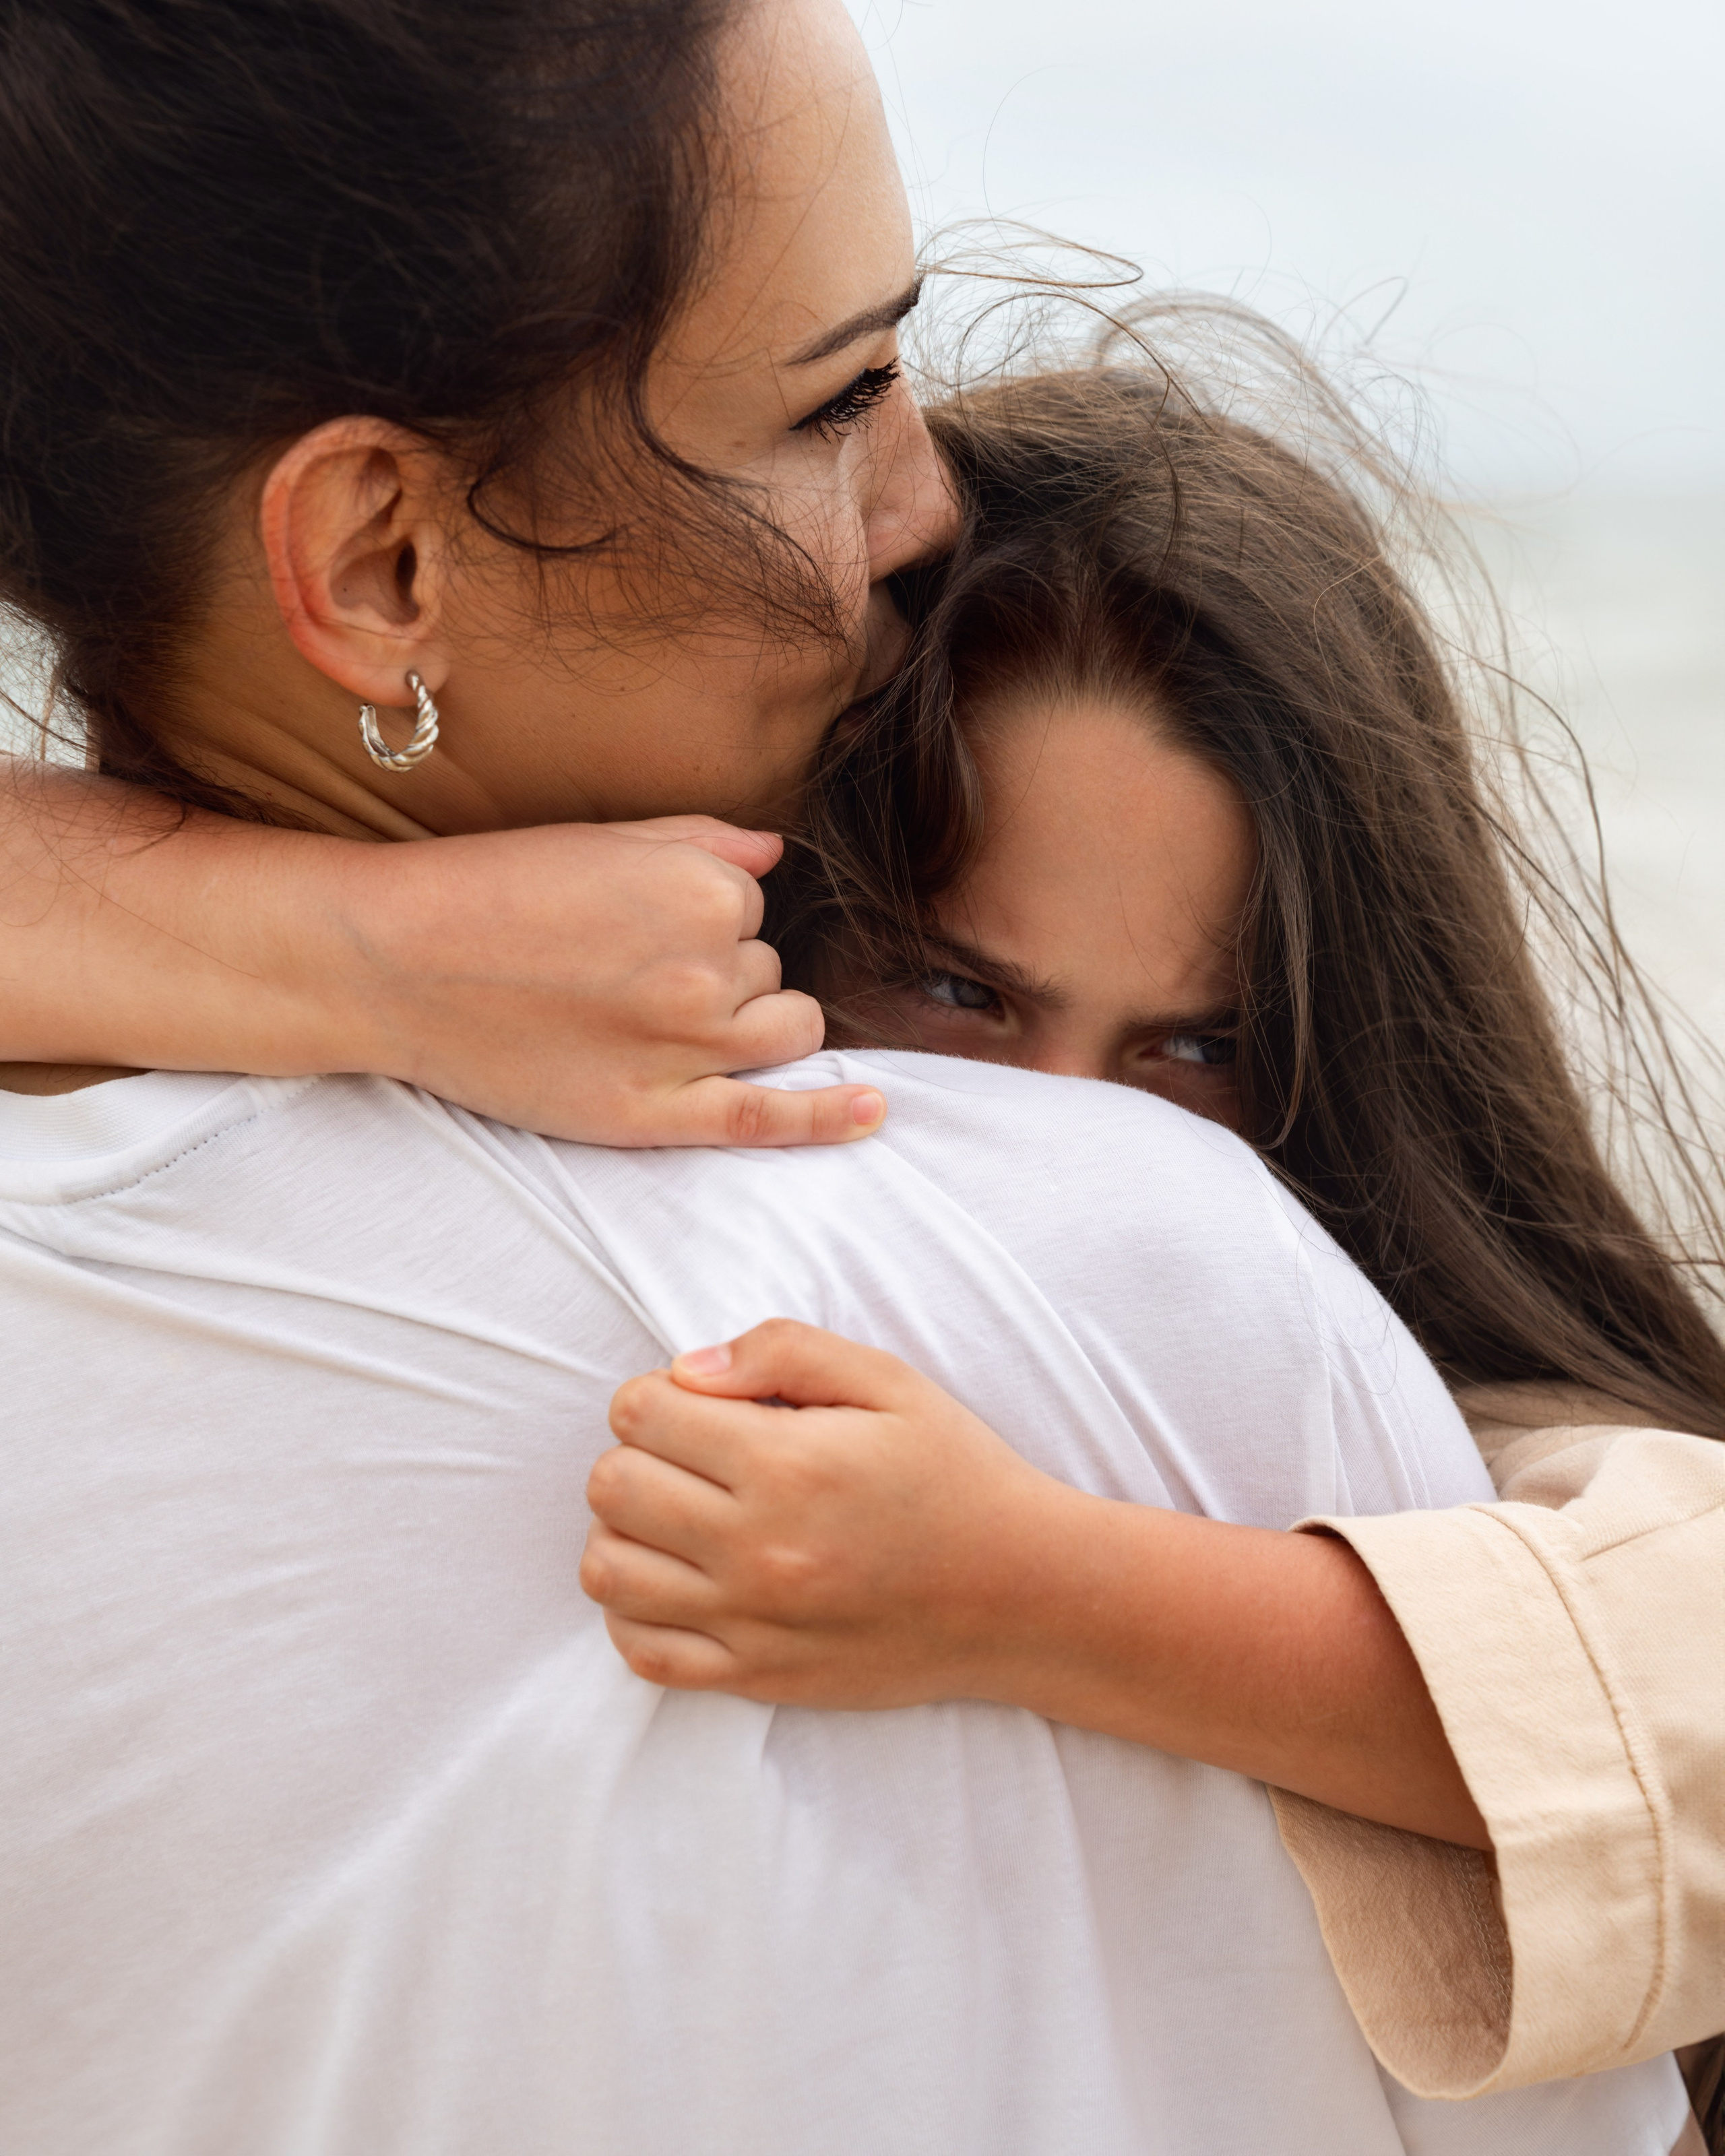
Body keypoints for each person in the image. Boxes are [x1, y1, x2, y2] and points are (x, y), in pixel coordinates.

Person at [0, 1, 1716, 2143]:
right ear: (382, 563)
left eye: (1204, 1046)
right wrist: (347, 949)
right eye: (835, 397)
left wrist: (310, 946)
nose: (921, 497)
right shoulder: (1141, 1293)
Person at [577, 361, 1725, 2146]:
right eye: (961, 995)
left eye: (1188, 1049)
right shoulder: (555, 1211)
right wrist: (393, 947)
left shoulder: (1355, 1386)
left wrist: (1021, 1588)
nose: (1062, 1128)